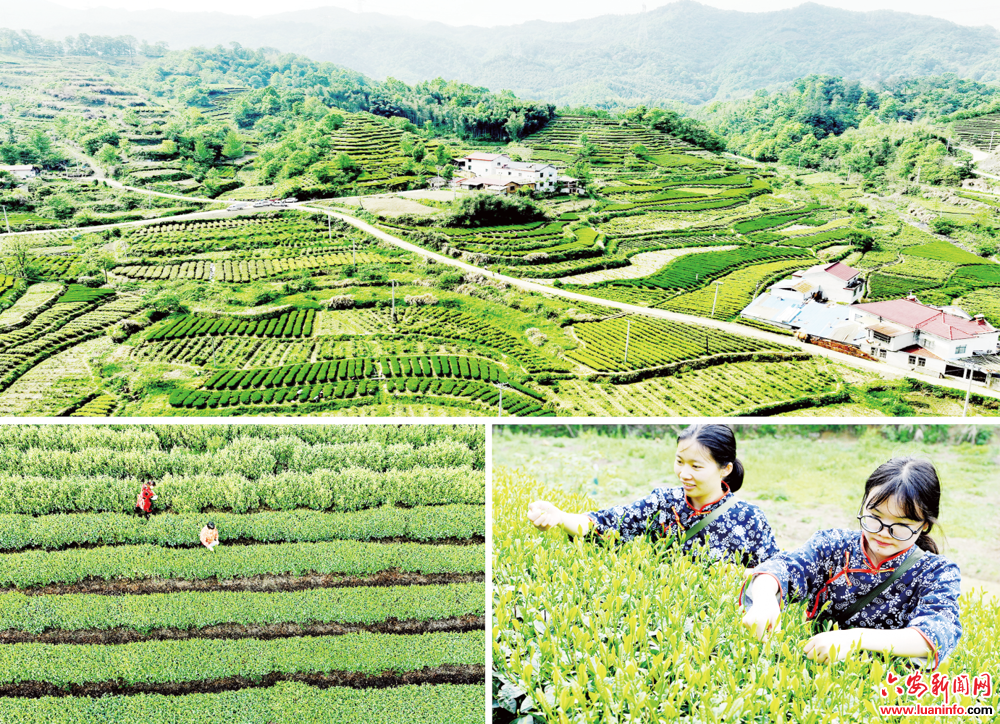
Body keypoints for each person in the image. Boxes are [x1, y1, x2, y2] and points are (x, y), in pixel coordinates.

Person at [740, 457, 961, 670]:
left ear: (924, 525)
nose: (883, 532)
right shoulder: (832, 544)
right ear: (863, 505)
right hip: (815, 670)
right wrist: (764, 599)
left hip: (883, 689)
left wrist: (855, 638)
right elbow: (783, 568)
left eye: (901, 524)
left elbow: (938, 632)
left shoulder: (937, 572)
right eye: (874, 516)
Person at [526, 424, 779, 568]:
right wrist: (559, 517)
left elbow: (777, 574)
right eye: (679, 461)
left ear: (725, 469)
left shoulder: (749, 518)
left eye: (696, 466)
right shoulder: (662, 504)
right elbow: (607, 525)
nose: (684, 473)